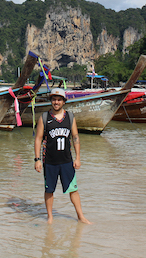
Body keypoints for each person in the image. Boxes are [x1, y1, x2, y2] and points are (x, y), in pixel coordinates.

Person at [34, 88, 91, 224]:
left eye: (59, 99)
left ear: (64, 101)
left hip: (66, 161)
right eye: (54, 99)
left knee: (73, 189)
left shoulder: (70, 117)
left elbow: (75, 137)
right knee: (49, 190)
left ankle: (81, 217)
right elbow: (38, 139)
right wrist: (37, 160)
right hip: (50, 161)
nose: (56, 102)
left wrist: (78, 157)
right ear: (51, 101)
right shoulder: (44, 118)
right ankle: (50, 217)